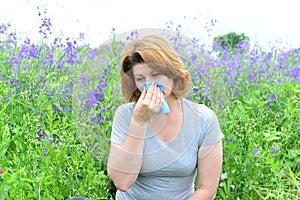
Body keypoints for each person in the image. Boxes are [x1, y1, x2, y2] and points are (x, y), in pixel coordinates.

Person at [107, 34, 224, 200]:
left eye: (155, 75)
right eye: (141, 79)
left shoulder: (203, 119)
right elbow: (122, 182)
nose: (149, 85)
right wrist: (139, 122)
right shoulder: (125, 115)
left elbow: (207, 190)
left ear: (172, 73)